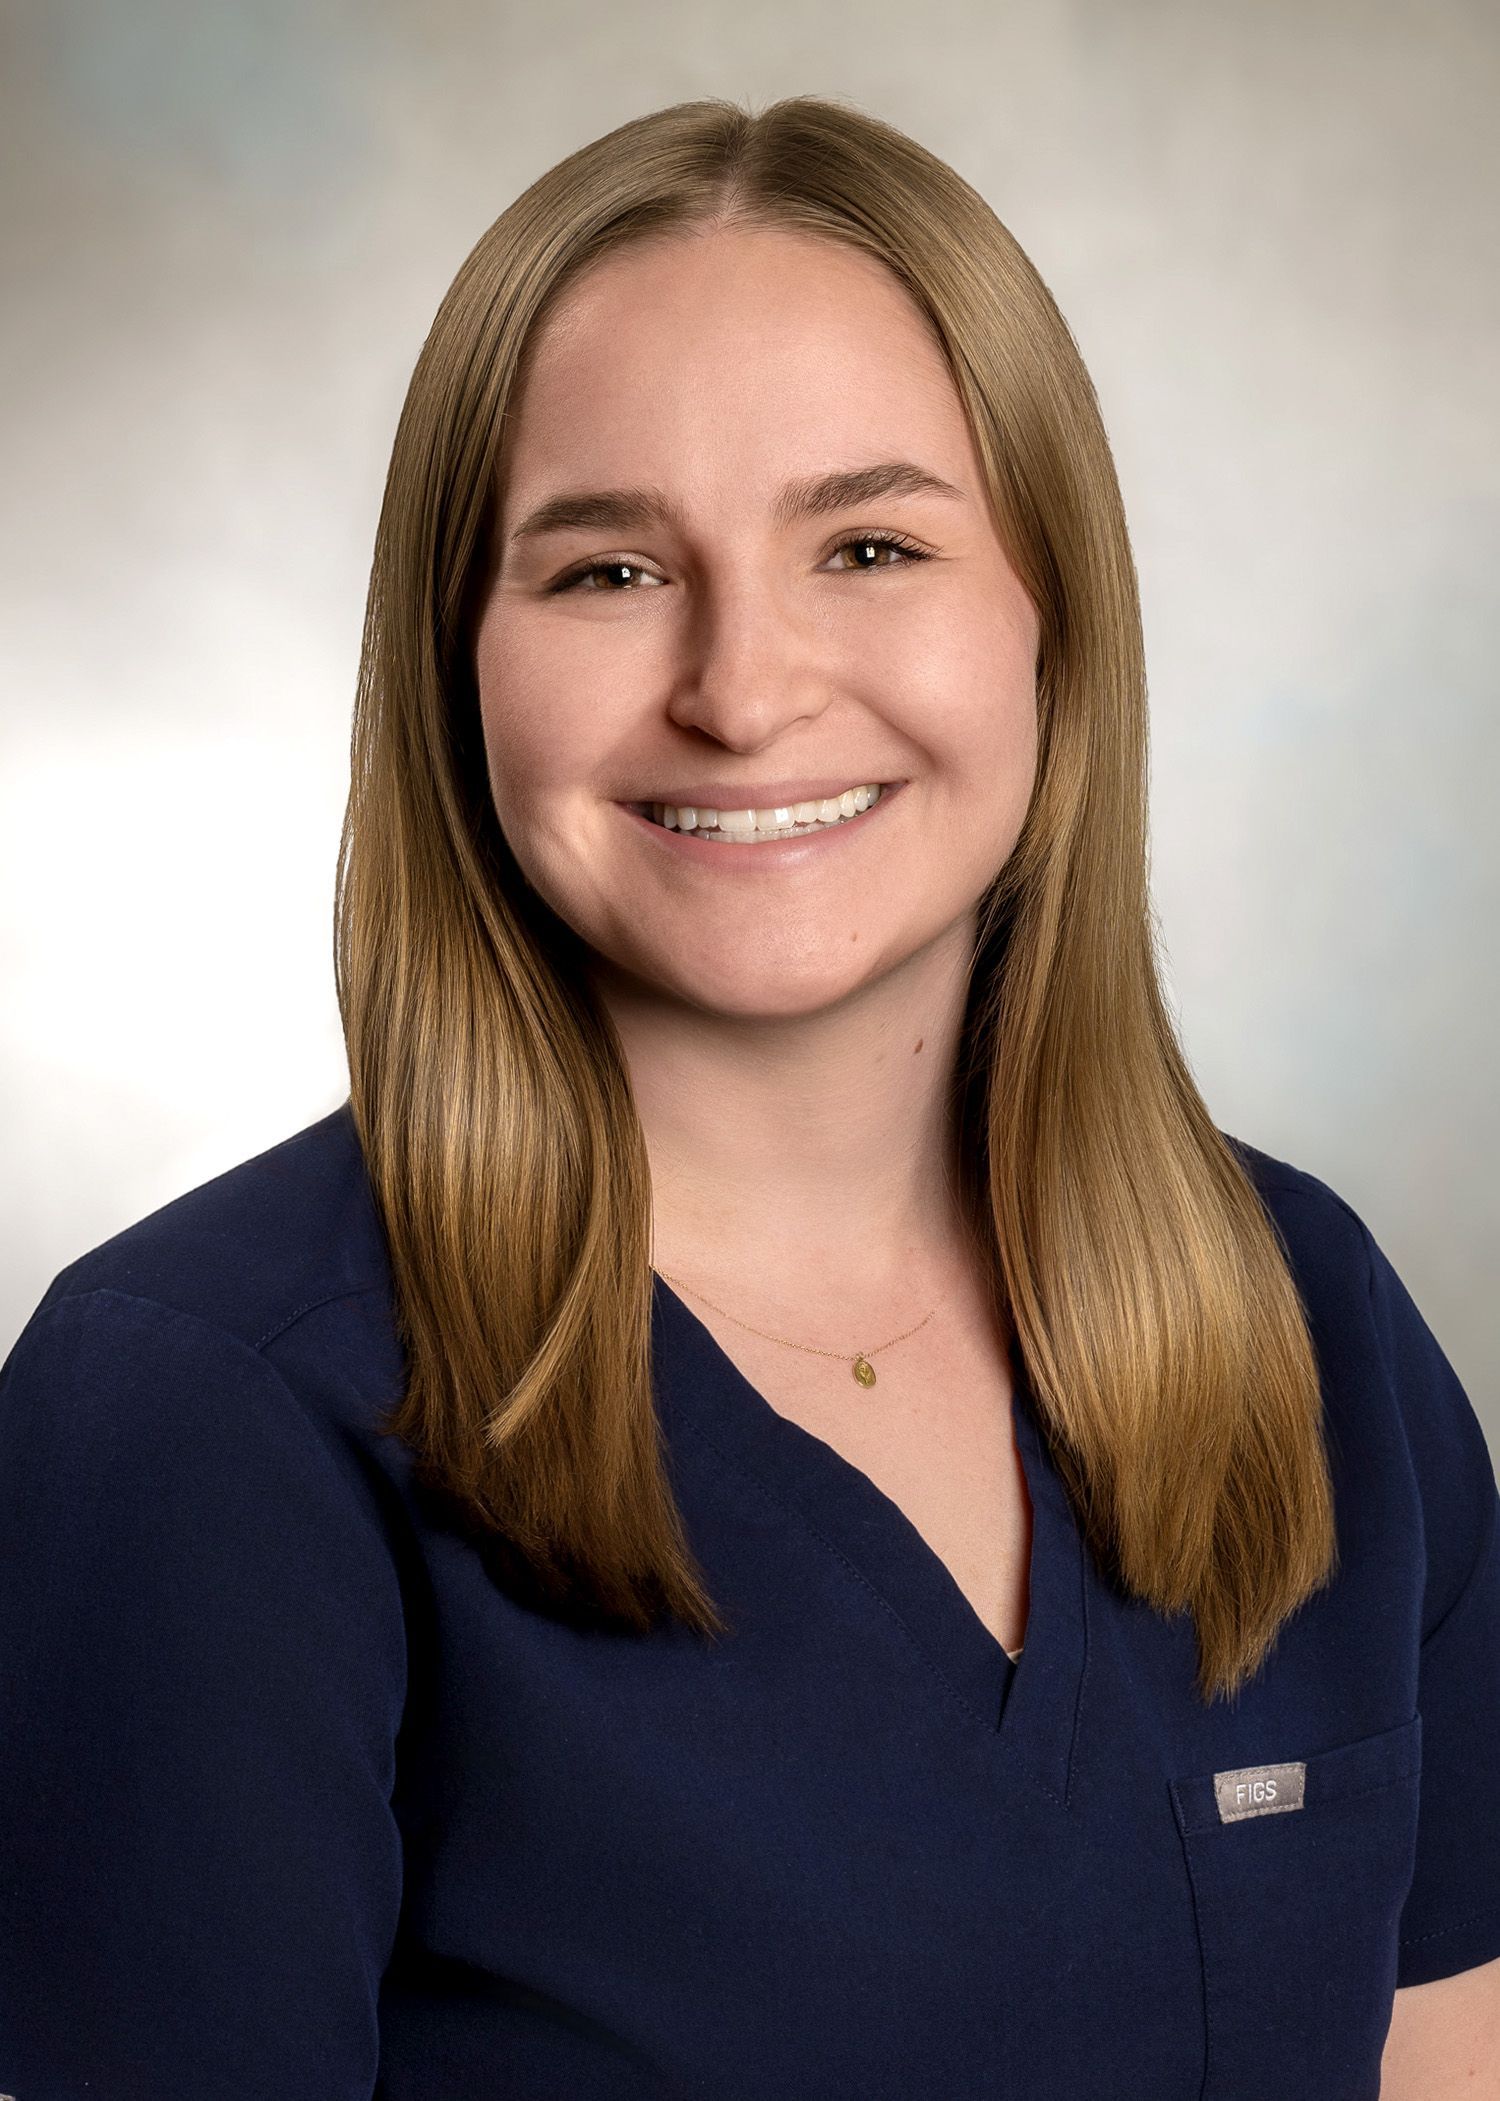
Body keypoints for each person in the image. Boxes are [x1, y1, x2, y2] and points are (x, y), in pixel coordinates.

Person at [1, 93, 1496, 2101]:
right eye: (608, 570)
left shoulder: (1313, 1324)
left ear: (1053, 618)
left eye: (869, 543)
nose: (743, 683)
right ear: (457, 664)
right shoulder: (198, 1413)